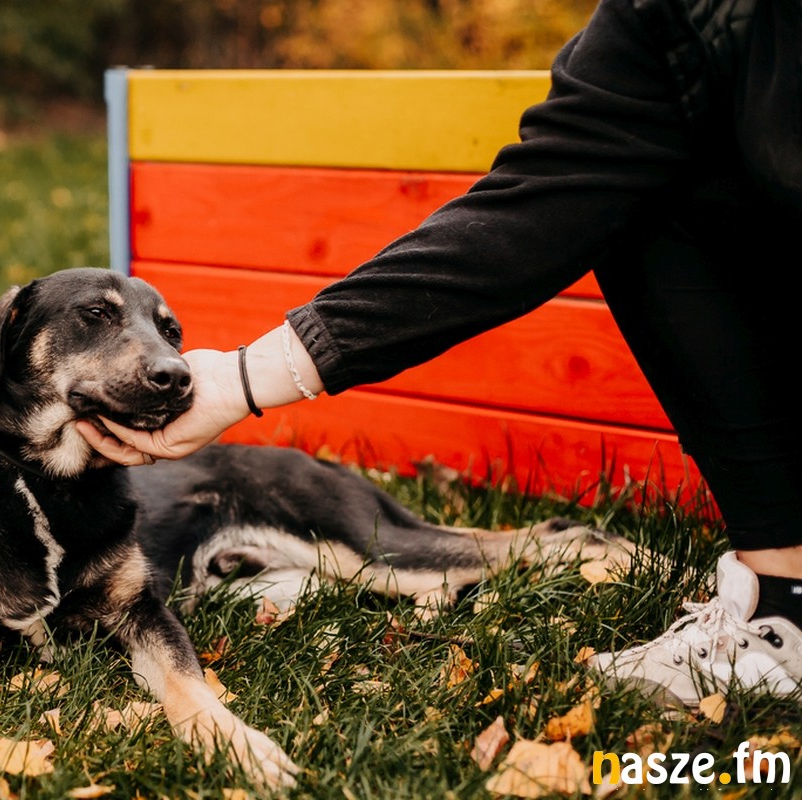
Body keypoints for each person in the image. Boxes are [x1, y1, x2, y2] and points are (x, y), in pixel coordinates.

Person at [78, 0, 802, 704]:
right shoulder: (664, 22)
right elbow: (541, 203)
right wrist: (243, 377)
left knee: (402, 554)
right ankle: (784, 595)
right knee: (645, 189)